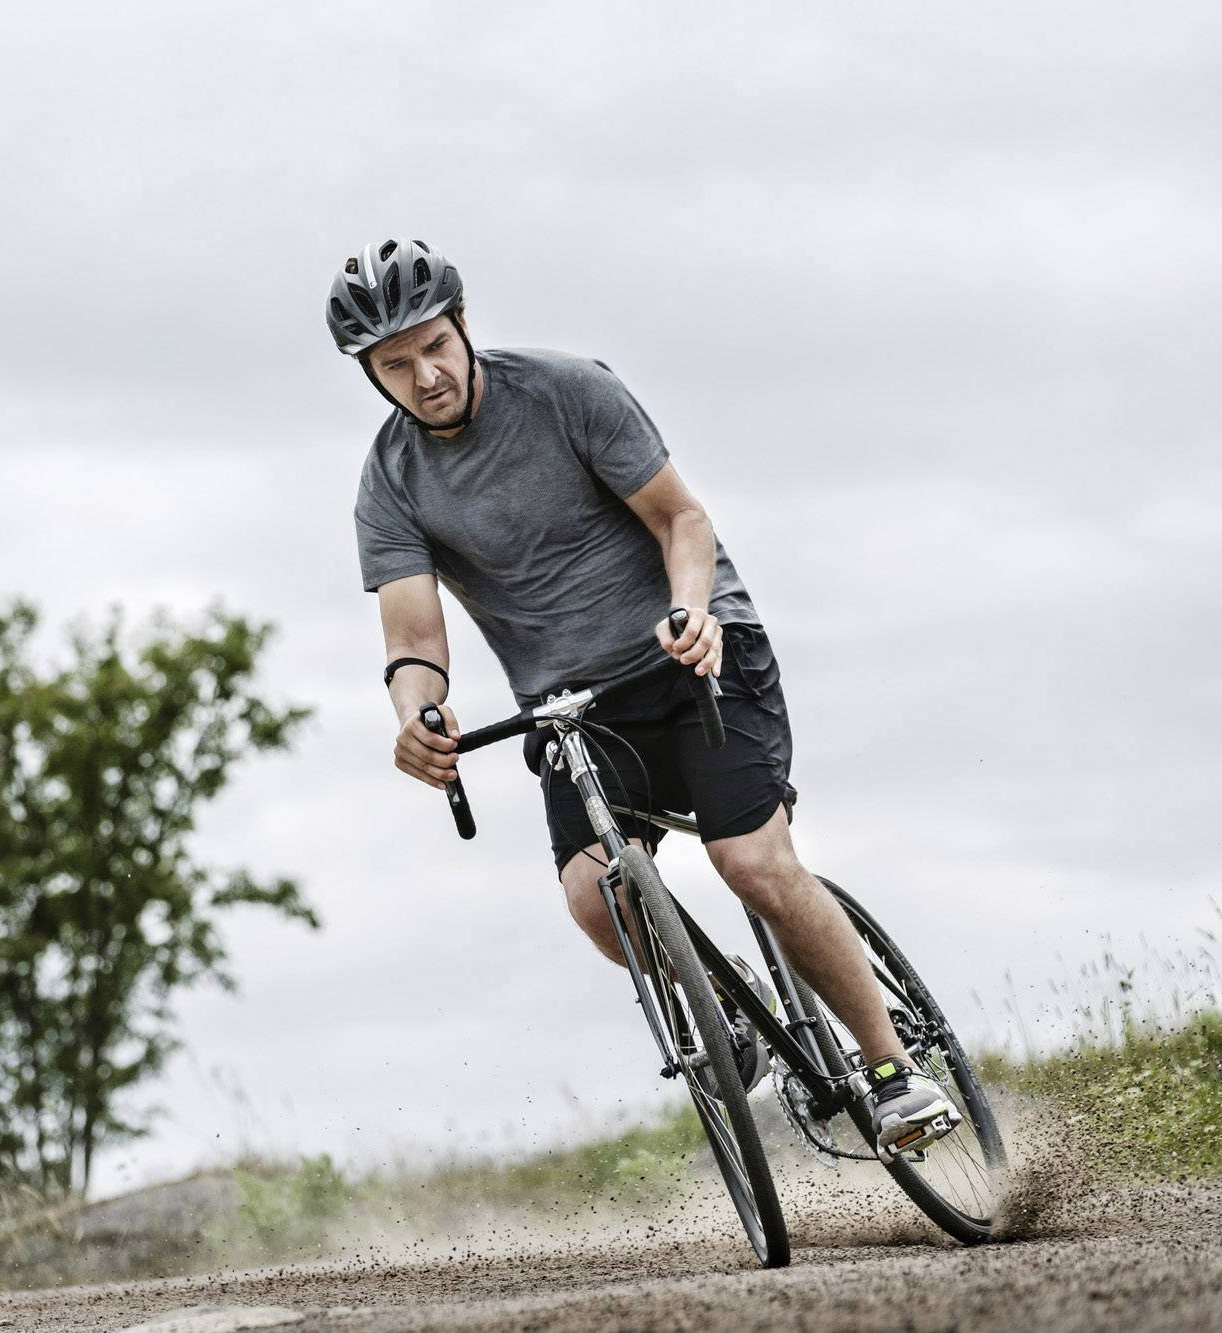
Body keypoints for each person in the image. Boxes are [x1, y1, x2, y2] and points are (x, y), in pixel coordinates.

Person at [331, 238, 957, 1160]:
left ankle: (892, 1066)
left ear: (462, 325)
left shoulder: (567, 390)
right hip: (574, 709)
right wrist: (415, 715)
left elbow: (681, 518)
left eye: (434, 346)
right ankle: (727, 997)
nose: (425, 376)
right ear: (371, 374)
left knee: (751, 862)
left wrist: (691, 609)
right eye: (395, 364)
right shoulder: (389, 482)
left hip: (693, 653)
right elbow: (415, 639)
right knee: (597, 899)